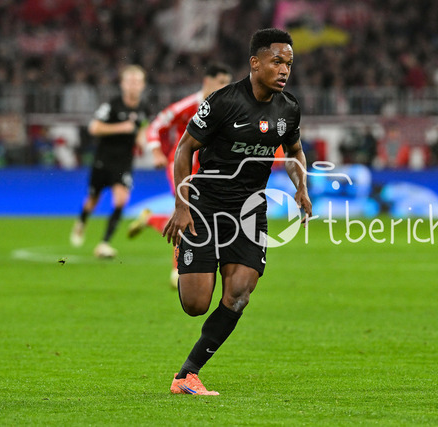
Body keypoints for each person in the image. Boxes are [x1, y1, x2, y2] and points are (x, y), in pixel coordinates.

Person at [162, 28, 312, 395]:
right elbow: (184, 149)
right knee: (196, 304)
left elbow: (294, 151)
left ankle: (187, 375)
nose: (284, 70)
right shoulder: (223, 102)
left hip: (249, 212)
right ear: (255, 63)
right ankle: (185, 251)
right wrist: (181, 205)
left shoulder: (288, 108)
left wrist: (301, 187)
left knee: (240, 294)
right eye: (277, 61)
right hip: (205, 206)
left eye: (289, 64)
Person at [126, 63, 232, 286]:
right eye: (221, 82)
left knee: (199, 217)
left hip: (207, 171)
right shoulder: (188, 105)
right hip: (181, 167)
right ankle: (177, 270)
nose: (224, 87)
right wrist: (156, 151)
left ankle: (151, 219)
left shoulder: (226, 108)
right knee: (187, 213)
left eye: (227, 83)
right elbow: (156, 125)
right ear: (207, 82)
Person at [70, 65, 151, 258]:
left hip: (124, 162)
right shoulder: (112, 105)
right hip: (103, 160)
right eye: (130, 81)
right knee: (93, 200)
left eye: (137, 82)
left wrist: (142, 141)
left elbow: (143, 129)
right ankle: (81, 221)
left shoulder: (144, 109)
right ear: (122, 84)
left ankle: (104, 243)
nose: (133, 85)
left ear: (143, 85)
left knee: (121, 199)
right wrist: (121, 127)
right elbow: (94, 127)